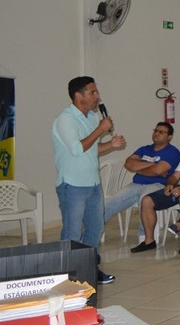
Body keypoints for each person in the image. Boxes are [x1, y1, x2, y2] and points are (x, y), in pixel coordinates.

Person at [52, 76, 126, 285]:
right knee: (73, 231)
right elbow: (77, 149)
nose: (97, 96)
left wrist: (110, 144)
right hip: (72, 185)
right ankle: (68, 276)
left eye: (96, 92)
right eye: (92, 92)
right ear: (78, 95)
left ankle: (89, 269)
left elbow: (92, 148)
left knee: (95, 229)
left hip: (92, 183)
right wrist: (101, 130)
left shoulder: (92, 118)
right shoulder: (65, 119)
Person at [103, 121, 180, 233]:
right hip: (136, 184)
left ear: (169, 137)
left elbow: (158, 171)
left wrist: (139, 167)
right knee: (110, 202)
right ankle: (90, 231)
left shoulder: (173, 152)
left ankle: (144, 237)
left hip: (157, 185)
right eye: (155, 130)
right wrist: (153, 165)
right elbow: (128, 164)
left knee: (145, 201)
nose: (156, 134)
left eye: (161, 132)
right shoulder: (144, 149)